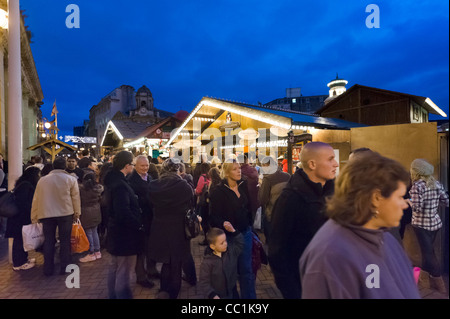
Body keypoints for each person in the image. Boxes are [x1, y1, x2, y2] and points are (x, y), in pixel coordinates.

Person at [299, 152, 421, 299]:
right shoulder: (330, 255)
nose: (405, 204)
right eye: (400, 196)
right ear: (376, 198)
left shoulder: (383, 236)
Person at [268, 142, 338, 298]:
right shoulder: (290, 198)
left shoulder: (336, 192)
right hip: (305, 286)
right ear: (312, 164)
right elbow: (277, 251)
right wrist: (293, 292)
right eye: (330, 159)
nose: (336, 164)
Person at [148, 158, 195, 299]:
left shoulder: (153, 185)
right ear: (177, 170)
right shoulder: (184, 186)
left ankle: (164, 288)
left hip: (159, 228)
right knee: (176, 262)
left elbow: (149, 205)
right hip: (178, 228)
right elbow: (190, 206)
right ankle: (173, 292)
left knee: (166, 262)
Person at [209, 158, 256, 299]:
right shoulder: (218, 191)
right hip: (229, 237)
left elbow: (248, 207)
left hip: (245, 232)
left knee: (246, 270)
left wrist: (249, 222)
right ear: (227, 172)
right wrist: (223, 223)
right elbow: (213, 217)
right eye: (235, 169)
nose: (239, 171)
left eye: (239, 168)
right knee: (231, 271)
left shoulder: (243, 185)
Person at [31, 156, 81, 276]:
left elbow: (36, 199)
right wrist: (77, 213)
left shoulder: (42, 180)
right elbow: (75, 198)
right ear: (64, 166)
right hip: (65, 213)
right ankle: (65, 267)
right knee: (65, 241)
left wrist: (34, 215)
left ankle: (48, 268)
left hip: (46, 214)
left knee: (49, 241)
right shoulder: (70, 179)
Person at [104, 151, 144, 299]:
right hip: (125, 235)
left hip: (116, 232)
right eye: (132, 165)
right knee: (124, 270)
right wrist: (137, 224)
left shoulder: (112, 180)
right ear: (127, 166)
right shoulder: (120, 185)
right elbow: (123, 211)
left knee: (115, 268)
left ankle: (113, 296)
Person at [409, 158, 449, 294]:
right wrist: (433, 206)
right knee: (427, 253)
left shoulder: (417, 186)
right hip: (435, 223)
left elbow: (417, 208)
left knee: (428, 253)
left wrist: (409, 202)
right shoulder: (436, 183)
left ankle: (440, 285)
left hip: (421, 225)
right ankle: (426, 281)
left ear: (415, 171)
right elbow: (446, 201)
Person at [127, 155, 157, 288]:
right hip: (140, 218)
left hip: (151, 218)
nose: (145, 168)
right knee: (141, 250)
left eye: (146, 166)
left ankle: (152, 270)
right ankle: (141, 276)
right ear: (135, 166)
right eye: (142, 166)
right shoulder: (131, 180)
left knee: (151, 246)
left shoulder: (150, 178)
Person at [5, 167, 41, 270]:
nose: (39, 177)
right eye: (38, 175)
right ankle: (18, 263)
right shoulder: (26, 186)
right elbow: (24, 203)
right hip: (20, 218)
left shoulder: (23, 184)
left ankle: (23, 260)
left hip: (17, 217)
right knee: (19, 239)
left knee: (21, 238)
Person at [198, 226, 244, 299]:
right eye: (222, 243)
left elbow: (240, 244)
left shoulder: (231, 252)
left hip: (232, 291)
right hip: (217, 295)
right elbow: (204, 282)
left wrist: (234, 231)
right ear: (213, 246)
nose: (225, 244)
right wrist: (212, 294)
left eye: (225, 240)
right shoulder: (207, 263)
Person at [258, 156, 290, 244]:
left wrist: (260, 188)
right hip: (286, 212)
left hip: (272, 213)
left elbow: (262, 199)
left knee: (272, 240)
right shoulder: (287, 176)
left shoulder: (267, 179)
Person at [78, 172, 104, 263]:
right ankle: (97, 251)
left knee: (88, 232)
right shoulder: (98, 189)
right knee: (94, 231)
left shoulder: (81, 189)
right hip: (96, 211)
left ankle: (91, 252)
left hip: (85, 212)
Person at [196, 162, 211, 245]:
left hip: (204, 202)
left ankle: (206, 239)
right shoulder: (212, 176)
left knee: (204, 220)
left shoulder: (202, 177)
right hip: (211, 202)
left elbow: (198, 190)